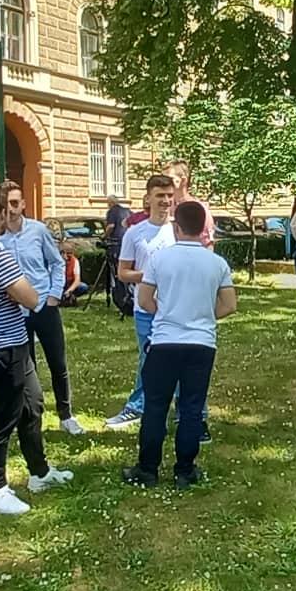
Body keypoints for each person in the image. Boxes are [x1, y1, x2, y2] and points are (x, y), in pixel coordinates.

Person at [0, 184, 64, 513]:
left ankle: (39, 471)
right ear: (3, 216)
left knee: (32, 404)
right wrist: (21, 292)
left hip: (9, 341)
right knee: (4, 416)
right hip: (1, 345)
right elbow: (31, 298)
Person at [128, 199, 235, 487]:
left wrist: (166, 312)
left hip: (165, 340)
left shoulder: (160, 259)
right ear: (202, 228)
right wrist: (202, 314)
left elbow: (144, 298)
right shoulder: (217, 263)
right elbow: (229, 305)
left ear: (177, 227)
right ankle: (185, 470)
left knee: (155, 405)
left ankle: (147, 468)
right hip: (201, 343)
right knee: (191, 407)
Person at [1, 184, 82, 435]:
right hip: (14, 310)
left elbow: (57, 263)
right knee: (26, 367)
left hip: (43, 305)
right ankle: (30, 417)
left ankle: (66, 414)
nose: (11, 209)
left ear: (23, 204)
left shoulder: (37, 231)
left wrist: (54, 295)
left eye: (15, 203)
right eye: (6, 204)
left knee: (57, 361)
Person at [105, 174, 177, 431]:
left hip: (176, 309)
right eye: (160, 196)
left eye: (169, 196)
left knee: (178, 359)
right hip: (145, 308)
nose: (166, 201)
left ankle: (182, 410)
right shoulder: (135, 233)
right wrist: (151, 276)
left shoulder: (179, 231)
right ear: (148, 198)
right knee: (149, 359)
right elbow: (123, 272)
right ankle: (138, 407)